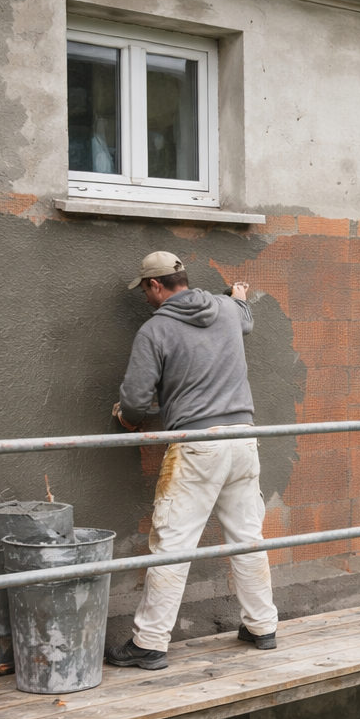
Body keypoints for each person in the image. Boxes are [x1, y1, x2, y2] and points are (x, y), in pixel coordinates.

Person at [105, 251, 278, 670]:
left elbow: (135, 397)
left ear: (155, 286)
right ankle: (262, 626)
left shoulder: (155, 329)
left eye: (145, 289)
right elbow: (245, 318)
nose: (146, 296)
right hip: (243, 438)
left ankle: (149, 643)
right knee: (247, 535)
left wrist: (126, 419)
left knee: (172, 543)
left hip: (198, 445)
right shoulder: (225, 309)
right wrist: (235, 297)